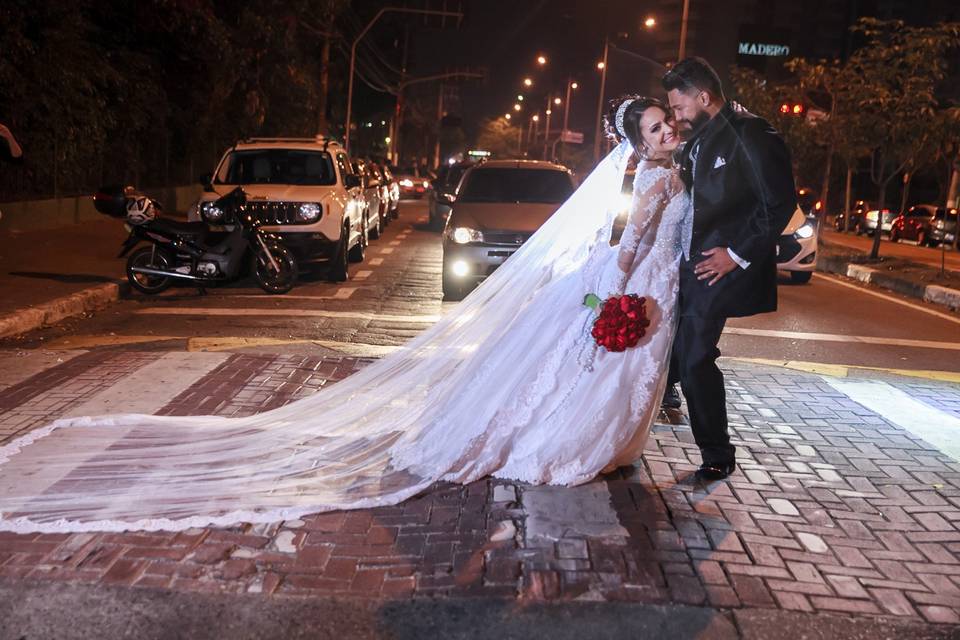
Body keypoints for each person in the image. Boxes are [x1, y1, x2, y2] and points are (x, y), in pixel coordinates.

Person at [0, 97, 689, 534]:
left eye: (666, 125)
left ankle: (579, 435)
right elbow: (628, 249)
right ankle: (563, 440)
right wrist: (622, 288)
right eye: (656, 128)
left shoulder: (664, 173)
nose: (665, 134)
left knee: (580, 373)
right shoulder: (655, 178)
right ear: (639, 141)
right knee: (585, 370)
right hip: (631, 285)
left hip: (636, 287)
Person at [660, 57, 797, 481]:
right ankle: (663, 389)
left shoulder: (752, 133)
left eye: (680, 108)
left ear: (703, 97)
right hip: (687, 261)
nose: (677, 117)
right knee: (675, 348)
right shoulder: (698, 138)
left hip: (719, 266)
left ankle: (716, 453)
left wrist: (735, 254)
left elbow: (779, 203)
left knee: (697, 355)